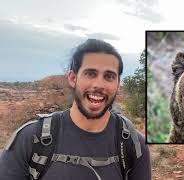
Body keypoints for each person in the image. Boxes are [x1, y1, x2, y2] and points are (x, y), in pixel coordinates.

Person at [0, 39, 151, 180]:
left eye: (109, 76)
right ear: (73, 78)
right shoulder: (30, 139)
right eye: (90, 74)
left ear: (118, 83)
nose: (99, 84)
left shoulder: (134, 144)